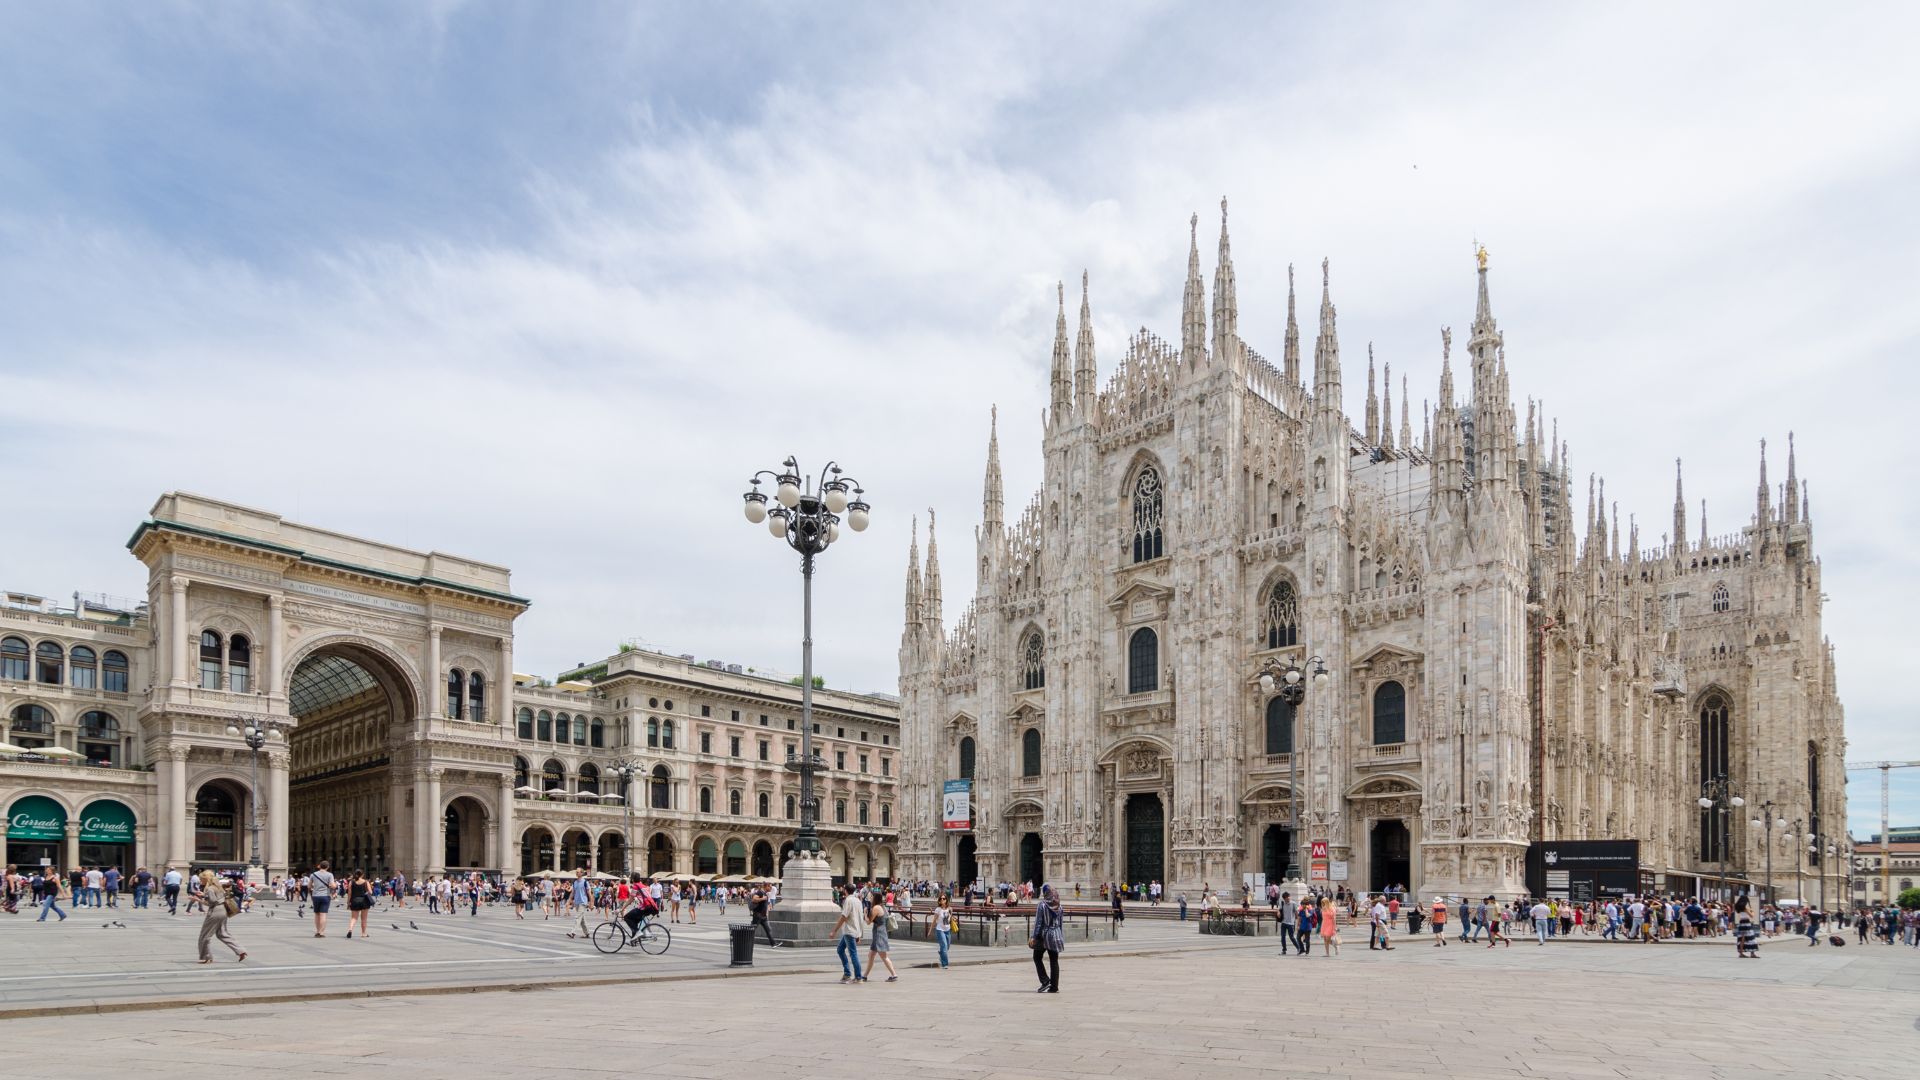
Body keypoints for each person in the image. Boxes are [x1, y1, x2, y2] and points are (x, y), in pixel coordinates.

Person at [195, 870, 246, 964]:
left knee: (204, 936)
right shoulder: (219, 887)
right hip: (223, 911)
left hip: (215, 912)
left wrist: (200, 898)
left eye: (201, 879)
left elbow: (212, 902)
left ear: (205, 879)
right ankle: (241, 951)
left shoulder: (210, 888)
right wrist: (204, 896)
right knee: (222, 933)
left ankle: (207, 957)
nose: (200, 881)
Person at [831, 885, 868, 983]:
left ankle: (858, 977)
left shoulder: (848, 900)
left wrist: (834, 931)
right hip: (854, 930)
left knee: (853, 954)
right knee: (840, 949)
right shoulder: (858, 901)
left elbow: (844, 916)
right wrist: (859, 933)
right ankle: (847, 973)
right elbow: (860, 918)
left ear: (846, 891)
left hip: (849, 931)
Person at [1031, 883, 1064, 992]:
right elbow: (1060, 923)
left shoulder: (1043, 905)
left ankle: (1045, 981)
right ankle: (1054, 987)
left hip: (1044, 936)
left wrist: (1034, 936)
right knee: (1054, 960)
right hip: (1056, 935)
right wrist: (1060, 936)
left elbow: (1039, 923)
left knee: (1037, 957)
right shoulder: (1059, 905)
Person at [867, 890, 899, 982]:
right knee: (871, 955)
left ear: (874, 898)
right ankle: (864, 975)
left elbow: (868, 921)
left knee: (883, 956)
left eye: (871, 896)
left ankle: (894, 974)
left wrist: (865, 913)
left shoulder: (876, 908)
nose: (870, 898)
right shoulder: (882, 907)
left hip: (879, 933)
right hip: (881, 932)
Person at [309, 860, 335, 938]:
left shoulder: (313, 874)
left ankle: (317, 931)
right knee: (323, 914)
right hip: (325, 896)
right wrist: (334, 886)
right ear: (327, 867)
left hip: (315, 896)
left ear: (319, 866)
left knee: (317, 914)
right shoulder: (330, 875)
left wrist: (315, 887)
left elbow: (309, 886)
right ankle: (321, 932)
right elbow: (333, 886)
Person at [566, 868, 593, 940]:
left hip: (583, 902)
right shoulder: (575, 882)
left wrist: (591, 903)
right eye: (576, 872)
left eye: (578, 872)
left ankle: (573, 932)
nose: (577, 873)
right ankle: (587, 933)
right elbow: (572, 893)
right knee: (582, 919)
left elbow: (589, 893)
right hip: (577, 902)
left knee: (577, 917)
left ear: (581, 873)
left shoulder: (585, 882)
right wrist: (569, 901)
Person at [345, 868, 373, 939]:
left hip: (354, 901)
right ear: (362, 875)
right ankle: (363, 933)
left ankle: (350, 930)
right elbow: (370, 892)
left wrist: (348, 902)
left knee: (354, 918)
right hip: (364, 901)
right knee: (364, 919)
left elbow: (349, 893)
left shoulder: (351, 882)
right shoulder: (366, 882)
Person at [933, 893, 954, 969]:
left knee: (947, 947)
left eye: (944, 898)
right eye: (941, 899)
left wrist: (954, 921)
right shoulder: (938, 909)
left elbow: (950, 918)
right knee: (944, 946)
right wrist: (929, 930)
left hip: (947, 929)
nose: (942, 900)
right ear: (939, 901)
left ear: (946, 900)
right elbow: (934, 920)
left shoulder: (950, 909)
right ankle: (945, 964)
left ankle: (941, 954)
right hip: (940, 930)